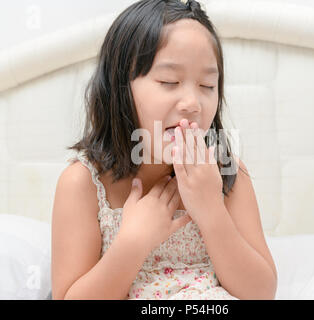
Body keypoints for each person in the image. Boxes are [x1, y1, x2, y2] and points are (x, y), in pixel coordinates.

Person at [51, 0, 277, 300]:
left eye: (208, 85)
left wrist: (211, 211)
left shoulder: (226, 174)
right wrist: (132, 243)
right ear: (119, 90)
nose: (193, 103)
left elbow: (261, 293)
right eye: (169, 81)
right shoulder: (83, 183)